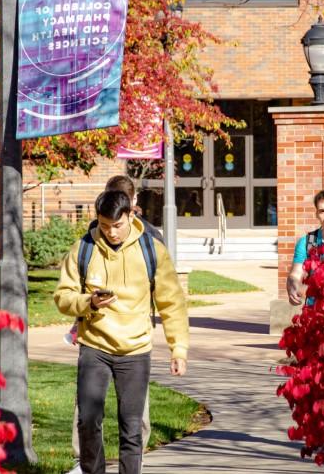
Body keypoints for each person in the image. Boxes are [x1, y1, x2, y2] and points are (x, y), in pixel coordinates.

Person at [54, 189, 188, 474]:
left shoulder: (152, 250)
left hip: (135, 351)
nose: (111, 232)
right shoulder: (84, 249)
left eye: (117, 225)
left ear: (130, 214)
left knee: (132, 428)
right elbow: (62, 297)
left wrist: (179, 349)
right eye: (104, 226)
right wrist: (88, 302)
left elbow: (172, 303)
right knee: (88, 421)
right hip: (95, 348)